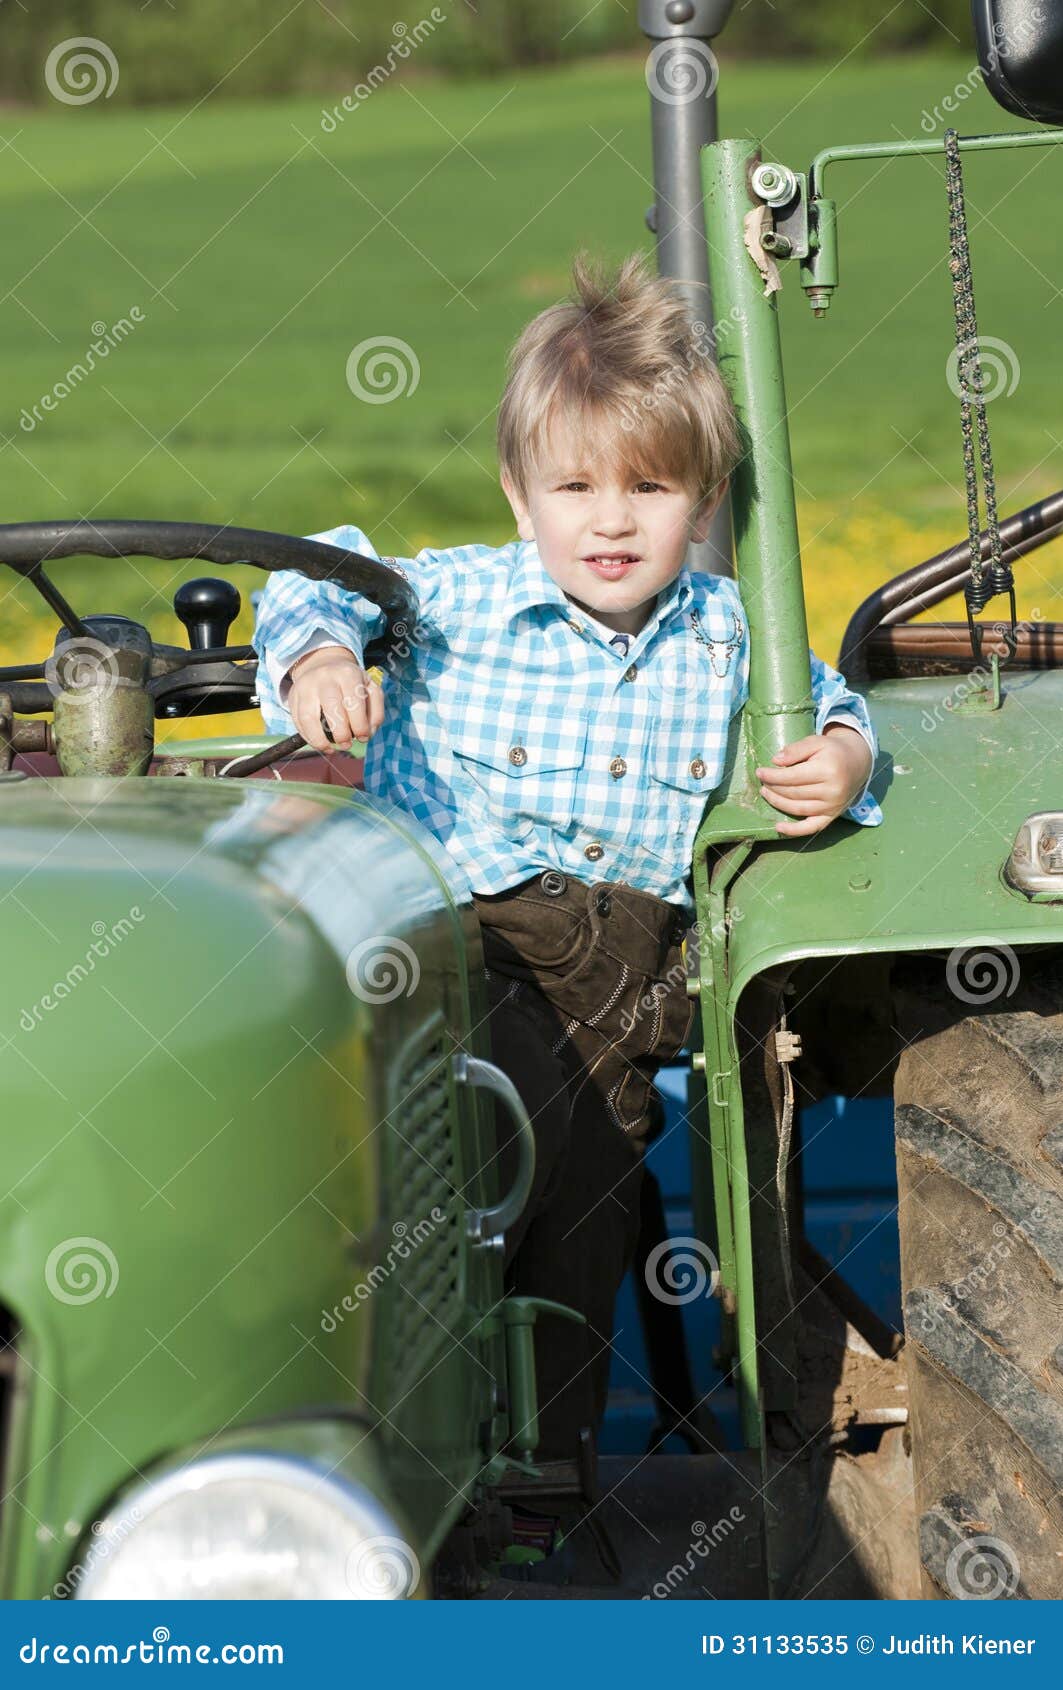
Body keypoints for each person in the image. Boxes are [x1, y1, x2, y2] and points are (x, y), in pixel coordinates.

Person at [252, 251, 882, 1467]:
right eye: (575, 485)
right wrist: (322, 654)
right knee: (451, 1178)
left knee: (584, 1223)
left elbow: (834, 700)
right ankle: (380, 1459)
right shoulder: (455, 603)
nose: (610, 519)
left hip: (626, 999)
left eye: (649, 488)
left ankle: (544, 1488)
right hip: (459, 949)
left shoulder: (728, 637)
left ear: (701, 500)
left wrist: (845, 757)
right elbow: (309, 568)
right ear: (518, 491)